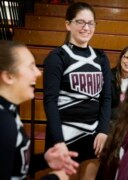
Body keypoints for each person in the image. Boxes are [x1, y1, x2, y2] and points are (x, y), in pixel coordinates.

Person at [43, 2, 111, 179]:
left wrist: (103, 130)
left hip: (93, 134)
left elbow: (107, 98)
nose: (86, 27)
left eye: (91, 23)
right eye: (80, 22)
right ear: (68, 24)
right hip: (64, 134)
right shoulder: (57, 57)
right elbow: (50, 101)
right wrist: (58, 141)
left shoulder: (101, 58)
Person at [0, 40, 79, 180]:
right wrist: (55, 178)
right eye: (31, 67)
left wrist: (44, 160)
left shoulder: (9, 110)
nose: (38, 73)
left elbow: (12, 166)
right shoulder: (3, 123)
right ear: (8, 76)